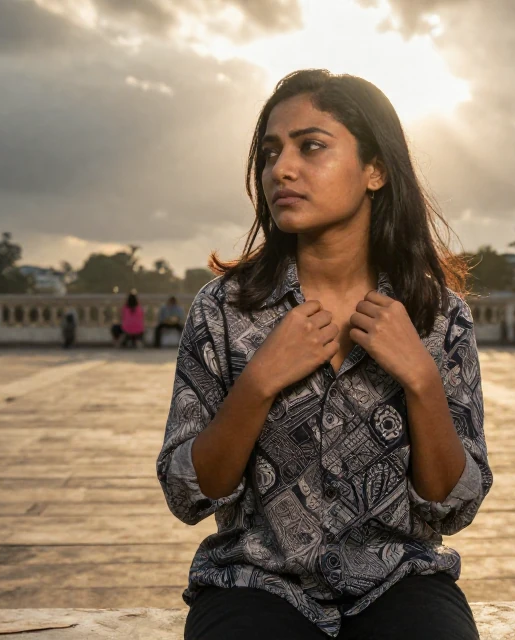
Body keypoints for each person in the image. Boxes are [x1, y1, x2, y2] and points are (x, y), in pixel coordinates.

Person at [157, 70, 492, 640]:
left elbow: (449, 506)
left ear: (375, 169)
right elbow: (189, 493)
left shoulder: (439, 317)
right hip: (253, 584)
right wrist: (258, 381)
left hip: (399, 579)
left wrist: (422, 381)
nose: (281, 169)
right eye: (269, 153)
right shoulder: (224, 310)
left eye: (311, 146)